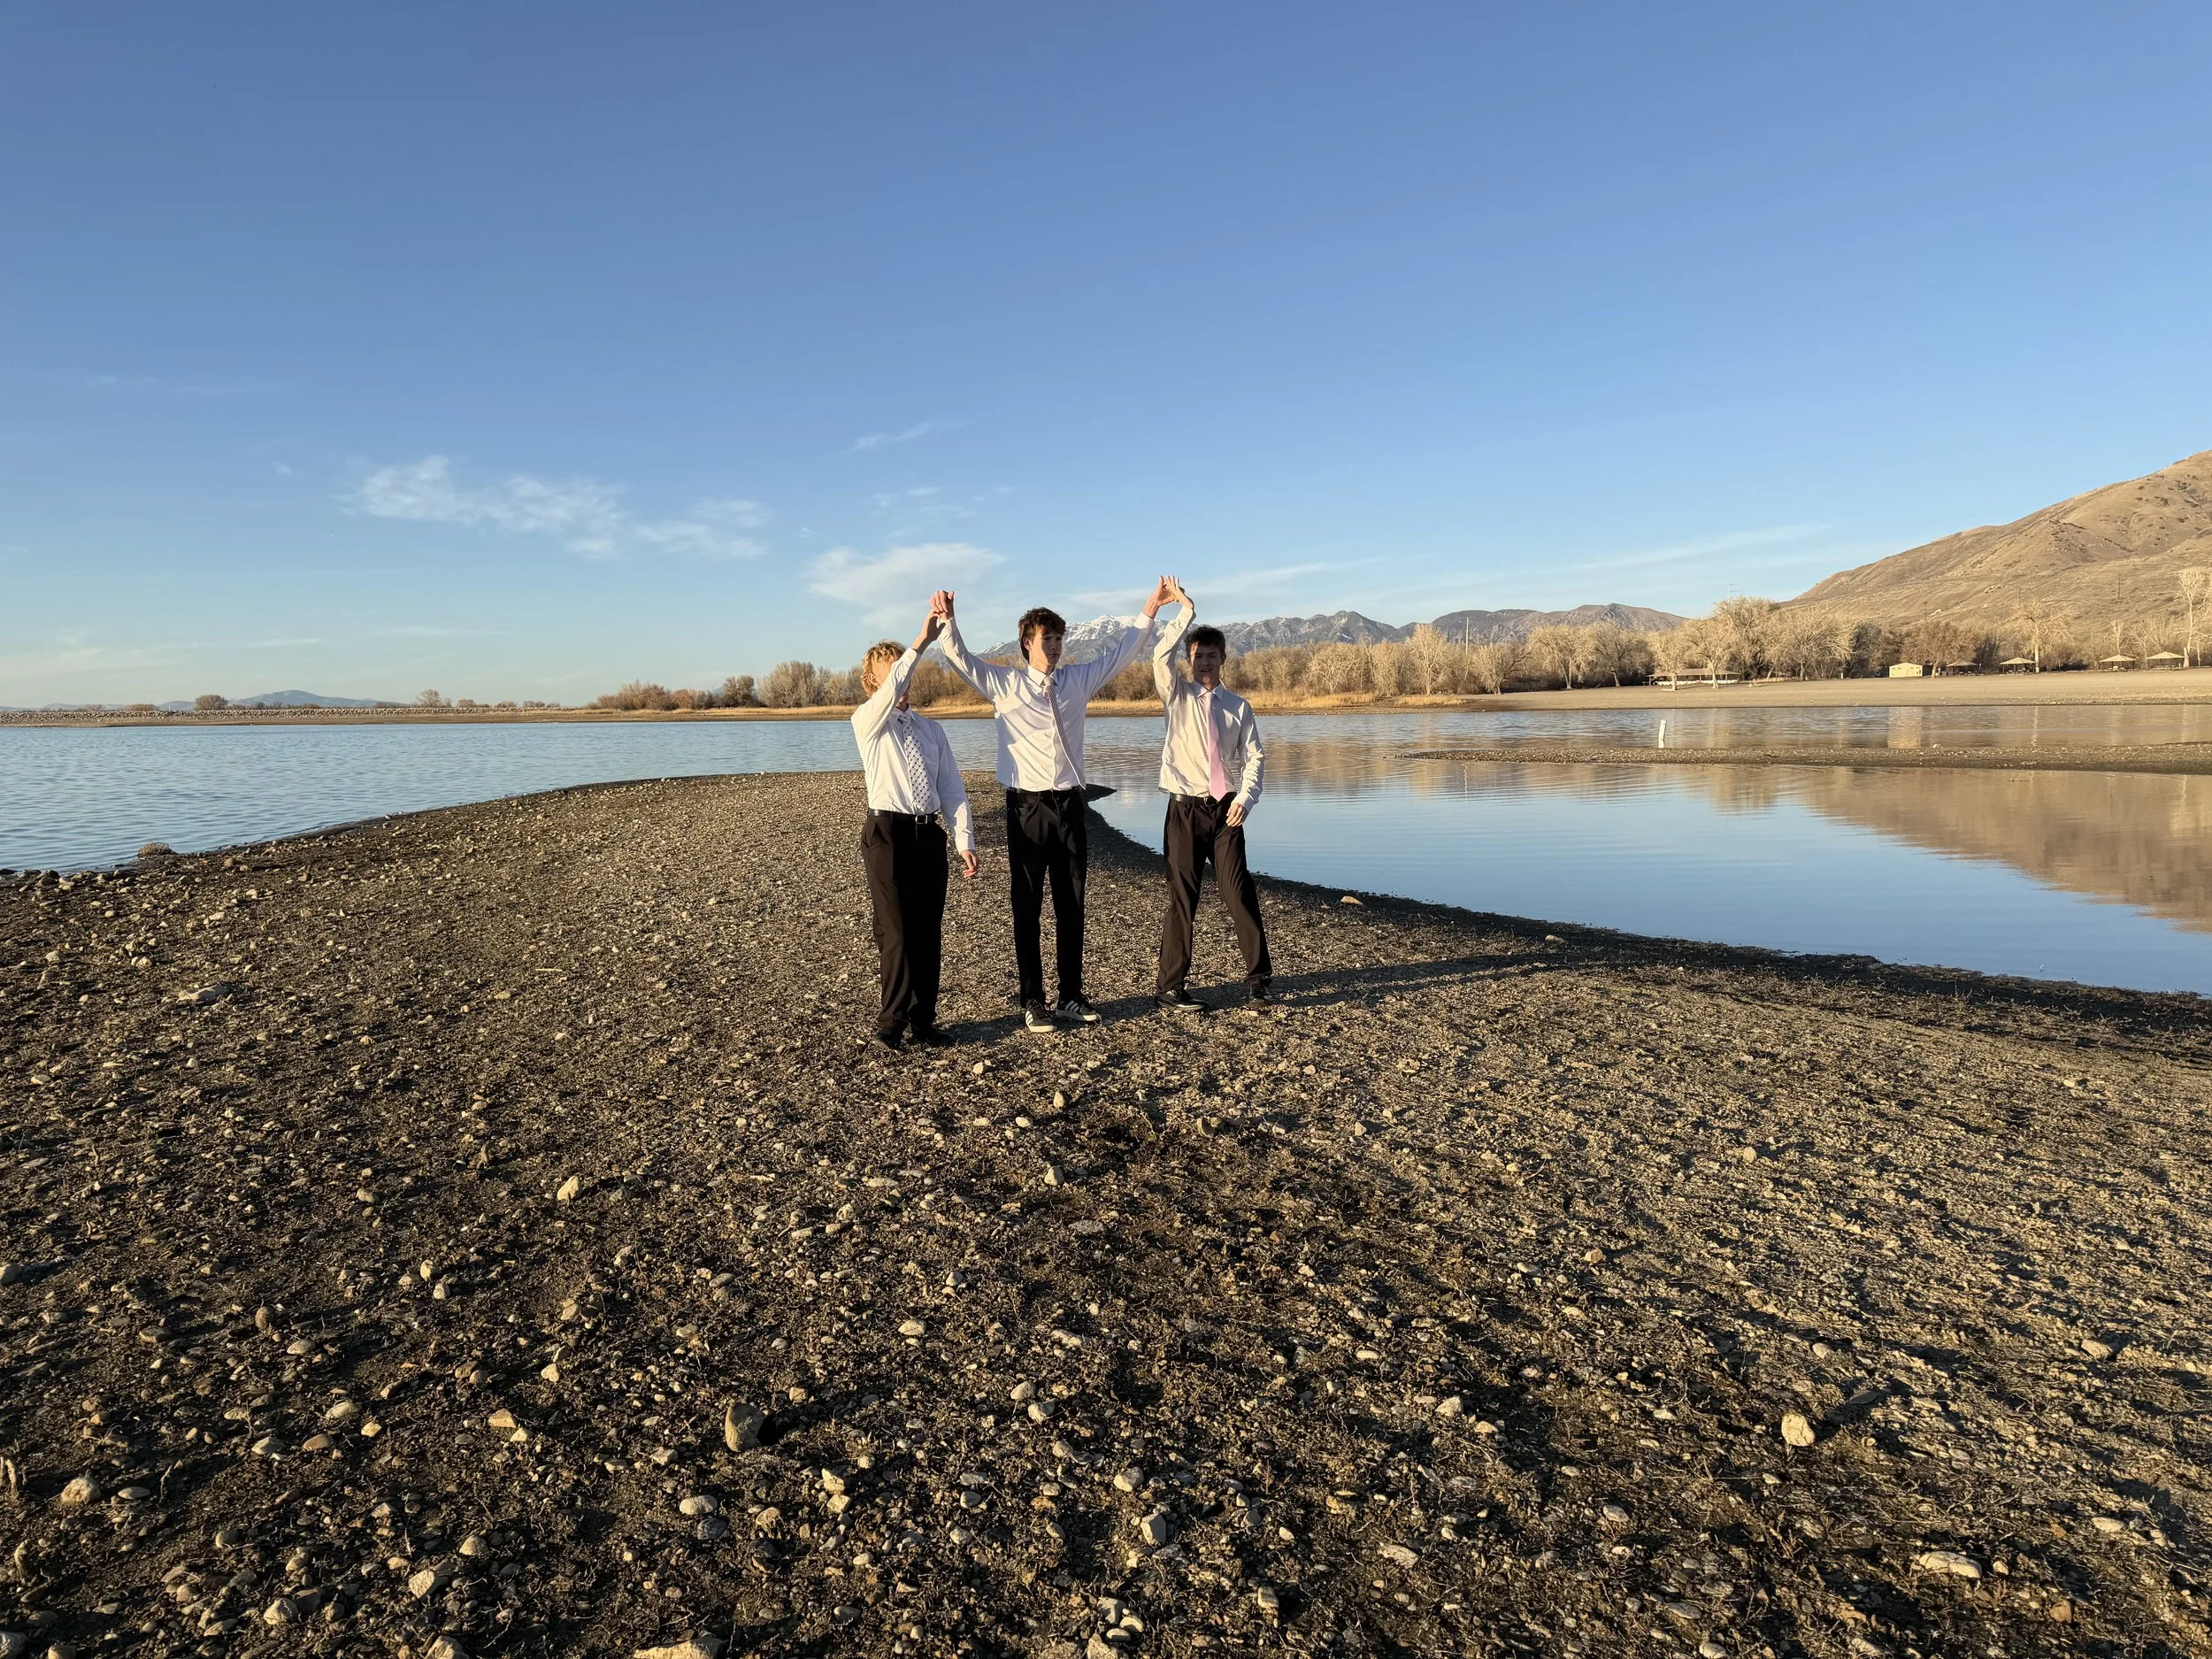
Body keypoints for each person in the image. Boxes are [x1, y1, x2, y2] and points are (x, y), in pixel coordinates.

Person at [933, 577, 1179, 1033]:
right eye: (1047, 639)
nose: (1055, 646)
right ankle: (1032, 999)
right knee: (1026, 903)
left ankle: (1070, 994)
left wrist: (1151, 608)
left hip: (1069, 807)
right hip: (1026, 809)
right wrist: (949, 623)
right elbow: (961, 661)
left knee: (1072, 901)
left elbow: (1122, 652)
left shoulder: (1077, 680)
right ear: (1028, 643)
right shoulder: (1004, 684)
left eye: (1059, 639)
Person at [850, 604, 978, 1049]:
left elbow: (953, 789)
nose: (901, 684)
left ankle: (924, 1021)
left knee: (927, 931)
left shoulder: (932, 730)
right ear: (875, 682)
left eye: (903, 675)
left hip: (928, 837)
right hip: (887, 835)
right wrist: (920, 641)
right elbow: (889, 694)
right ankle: (891, 1025)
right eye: (892, 675)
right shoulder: (867, 722)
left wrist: (964, 840)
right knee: (897, 931)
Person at [1148, 584, 1271, 1010]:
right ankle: (1170, 986)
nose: (1204, 662)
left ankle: (1258, 979)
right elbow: (1157, 657)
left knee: (1238, 891)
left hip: (1226, 810)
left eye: (1211, 656)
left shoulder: (1239, 706)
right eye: (1198, 655)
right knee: (1183, 897)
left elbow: (1255, 757)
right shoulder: (1175, 695)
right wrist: (1184, 611)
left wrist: (1246, 799)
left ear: (1223, 660)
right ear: (1190, 659)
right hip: (1183, 810)